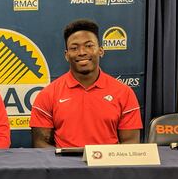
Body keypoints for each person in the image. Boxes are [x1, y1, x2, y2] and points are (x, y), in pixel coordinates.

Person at [30, 19, 142, 147]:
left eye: (89, 46)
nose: (82, 52)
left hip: (108, 160)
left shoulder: (124, 93)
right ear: (66, 55)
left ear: (101, 51)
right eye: (74, 48)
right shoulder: (48, 94)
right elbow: (40, 144)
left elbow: (130, 143)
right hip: (64, 160)